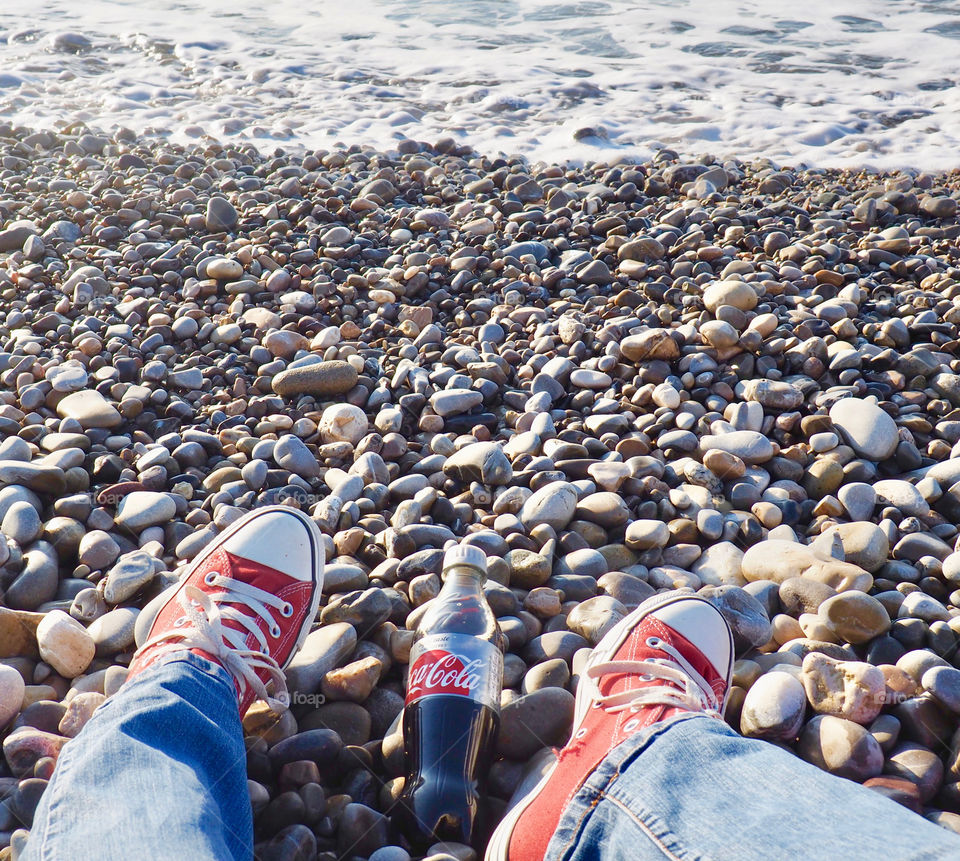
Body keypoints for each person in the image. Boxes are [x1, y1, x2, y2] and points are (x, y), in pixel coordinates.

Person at [19, 505, 960, 860]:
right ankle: (633, 772)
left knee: (143, 769)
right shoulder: (459, 621)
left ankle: (184, 680)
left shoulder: (462, 619)